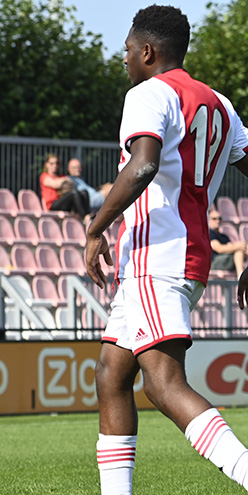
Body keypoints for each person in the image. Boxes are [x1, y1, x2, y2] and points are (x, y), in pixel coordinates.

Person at [84, 6, 248, 493]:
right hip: (173, 260)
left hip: (160, 257)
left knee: (162, 383)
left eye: (129, 50)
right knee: (112, 374)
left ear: (148, 51)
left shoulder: (148, 93)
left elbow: (142, 166)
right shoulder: (220, 104)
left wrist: (96, 228)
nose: (126, 59)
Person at [39, 153, 91, 219]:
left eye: (57, 163)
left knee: (84, 192)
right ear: (47, 164)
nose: (55, 165)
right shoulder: (44, 176)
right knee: (73, 193)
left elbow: (71, 184)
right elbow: (55, 185)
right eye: (52, 163)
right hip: (52, 205)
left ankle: (88, 213)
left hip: (64, 203)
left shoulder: (61, 176)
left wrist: (62, 182)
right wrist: (63, 181)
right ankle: (85, 217)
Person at [209, 209, 248, 273]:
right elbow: (219, 249)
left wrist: (242, 247)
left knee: (243, 249)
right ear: (208, 219)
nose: (217, 221)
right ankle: (240, 276)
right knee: (239, 251)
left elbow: (230, 247)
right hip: (215, 262)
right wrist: (238, 246)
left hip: (227, 260)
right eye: (214, 218)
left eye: (219, 218)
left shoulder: (224, 236)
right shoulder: (209, 234)